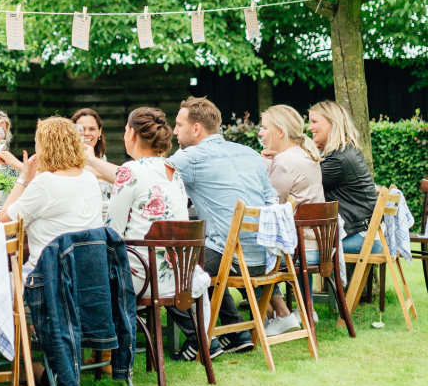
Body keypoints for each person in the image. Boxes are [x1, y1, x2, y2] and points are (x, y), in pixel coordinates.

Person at [168, 96, 278, 361]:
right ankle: (235, 332)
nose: (174, 131)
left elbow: (146, 181)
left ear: (196, 129)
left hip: (233, 259)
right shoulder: (250, 153)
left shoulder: (190, 156)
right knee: (203, 256)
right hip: (267, 258)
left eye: (178, 124)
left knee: (169, 266)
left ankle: (201, 339)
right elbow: (273, 202)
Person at [0, 116, 102, 280]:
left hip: (48, 279)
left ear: (44, 146)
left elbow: (4, 223)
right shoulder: (89, 178)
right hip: (87, 277)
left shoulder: (43, 183)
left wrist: (24, 178)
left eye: (36, 143)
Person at [105, 108, 189, 297]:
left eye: (126, 130)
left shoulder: (129, 170)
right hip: (178, 277)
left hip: (142, 278)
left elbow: (112, 232)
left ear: (131, 133)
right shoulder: (173, 169)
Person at [259, 104, 325, 336]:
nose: (260, 133)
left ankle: (280, 316)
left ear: (280, 131)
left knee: (246, 255)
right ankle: (296, 311)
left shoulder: (285, 161)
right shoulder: (306, 155)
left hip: (299, 251)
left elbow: (270, 207)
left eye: (264, 127)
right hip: (318, 247)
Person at [308, 100, 381, 254]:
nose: (309, 127)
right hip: (368, 234)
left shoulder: (338, 159)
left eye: (314, 121)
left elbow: (306, 186)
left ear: (332, 123)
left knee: (297, 249)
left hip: (362, 238)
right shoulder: (345, 152)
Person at [72, 107, 111, 200]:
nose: (86, 133)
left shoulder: (102, 158)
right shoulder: (65, 160)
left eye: (92, 129)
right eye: (81, 129)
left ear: (99, 132)